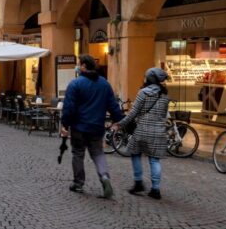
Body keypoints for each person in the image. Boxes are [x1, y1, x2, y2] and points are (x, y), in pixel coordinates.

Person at [60, 54, 124, 198]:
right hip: (96, 127)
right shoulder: (104, 84)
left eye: (78, 64)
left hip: (79, 127)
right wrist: (117, 121)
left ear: (83, 66)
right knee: (98, 154)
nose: (77, 66)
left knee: (78, 153)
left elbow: (69, 107)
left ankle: (78, 184)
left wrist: (65, 124)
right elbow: (113, 105)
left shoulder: (75, 84)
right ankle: (105, 177)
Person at [113, 67, 171, 200]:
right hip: (158, 131)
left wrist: (120, 124)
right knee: (154, 160)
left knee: (135, 153)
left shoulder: (143, 92)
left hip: (143, 129)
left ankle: (138, 182)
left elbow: (133, 113)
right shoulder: (165, 95)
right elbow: (163, 115)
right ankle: (155, 189)